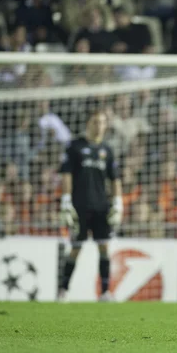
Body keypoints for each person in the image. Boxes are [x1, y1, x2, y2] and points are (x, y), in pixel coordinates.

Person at [58, 110, 123, 302]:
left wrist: (118, 204)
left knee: (104, 247)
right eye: (96, 122)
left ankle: (104, 292)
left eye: (102, 122)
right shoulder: (75, 147)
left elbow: (115, 179)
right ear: (88, 123)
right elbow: (66, 174)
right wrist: (66, 200)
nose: (99, 126)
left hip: (101, 206)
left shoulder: (107, 150)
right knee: (76, 248)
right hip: (80, 205)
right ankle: (63, 290)